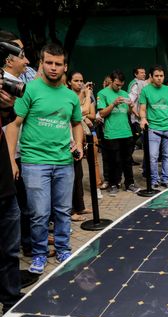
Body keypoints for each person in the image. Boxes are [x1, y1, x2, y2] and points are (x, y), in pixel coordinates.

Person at [6, 43, 84, 274]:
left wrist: (78, 143)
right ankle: (39, 254)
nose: (52, 67)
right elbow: (13, 124)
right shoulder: (29, 90)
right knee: (39, 213)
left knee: (62, 210)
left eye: (57, 64)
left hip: (64, 163)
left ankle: (63, 248)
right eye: (48, 62)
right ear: (41, 64)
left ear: (64, 67)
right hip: (34, 162)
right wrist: (11, 160)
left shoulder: (71, 96)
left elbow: (77, 123)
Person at [0, 55, 24, 312]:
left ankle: (11, 300)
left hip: (5, 186)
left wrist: (6, 106)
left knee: (10, 251)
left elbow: (7, 121)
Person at [97, 70, 139, 195]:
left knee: (127, 159)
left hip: (126, 132)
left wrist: (131, 107)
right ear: (111, 81)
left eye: (121, 85)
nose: (119, 87)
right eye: (116, 84)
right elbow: (102, 113)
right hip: (111, 132)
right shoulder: (102, 93)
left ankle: (129, 183)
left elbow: (128, 113)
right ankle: (113, 184)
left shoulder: (125, 93)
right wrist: (113, 104)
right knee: (114, 160)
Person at [139, 65, 168, 189]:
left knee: (167, 155)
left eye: (161, 76)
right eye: (156, 76)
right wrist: (143, 118)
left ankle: (165, 179)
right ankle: (154, 179)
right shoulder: (145, 90)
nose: (159, 78)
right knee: (153, 156)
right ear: (151, 76)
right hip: (154, 128)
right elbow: (142, 108)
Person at [68, 71, 95, 215]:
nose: (79, 83)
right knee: (70, 177)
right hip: (66, 141)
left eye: (81, 81)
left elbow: (90, 114)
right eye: (76, 81)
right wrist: (87, 95)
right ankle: (71, 211)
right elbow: (84, 110)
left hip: (76, 141)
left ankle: (80, 207)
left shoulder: (80, 95)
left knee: (78, 174)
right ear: (68, 82)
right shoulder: (68, 96)